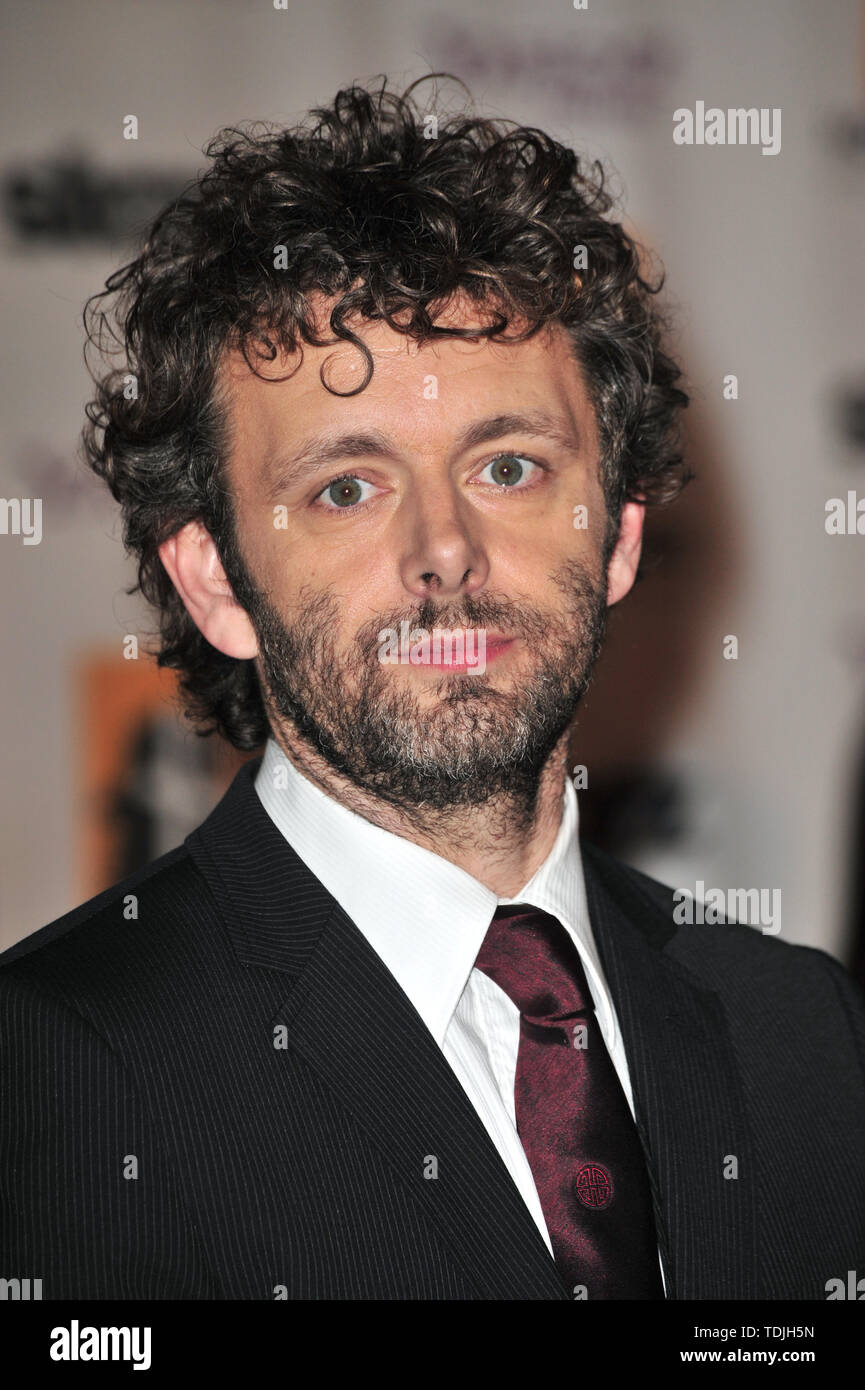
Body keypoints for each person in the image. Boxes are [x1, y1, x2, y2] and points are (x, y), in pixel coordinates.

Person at [2, 75, 863, 1302]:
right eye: (346, 488)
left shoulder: (801, 1034)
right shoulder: (53, 1074)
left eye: (508, 466)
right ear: (215, 583)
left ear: (617, 534)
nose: (444, 550)